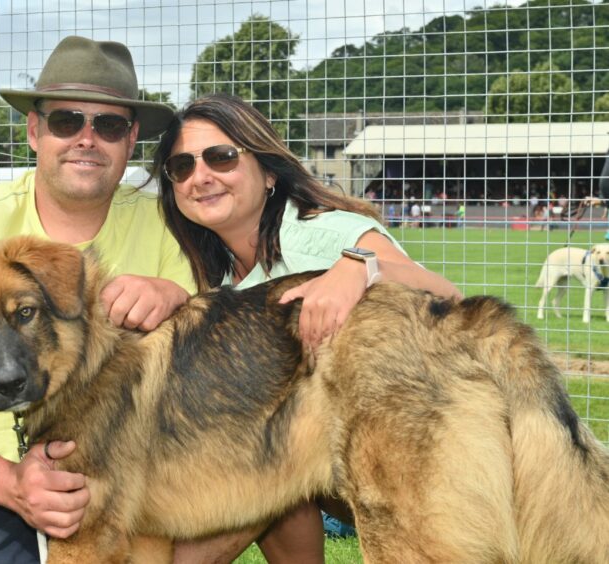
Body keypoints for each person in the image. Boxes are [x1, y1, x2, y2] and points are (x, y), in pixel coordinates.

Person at [0, 36, 196, 562]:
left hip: (132, 478)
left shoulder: (168, 225)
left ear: (131, 138)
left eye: (110, 125)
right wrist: (11, 483)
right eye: (67, 121)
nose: (87, 139)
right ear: (35, 130)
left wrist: (176, 293)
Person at [152, 93, 462, 563]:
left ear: (269, 171)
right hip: (317, 461)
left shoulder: (323, 231)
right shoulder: (218, 277)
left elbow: (449, 297)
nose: (201, 176)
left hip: (414, 445)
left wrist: (359, 268)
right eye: (182, 167)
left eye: (222, 157)